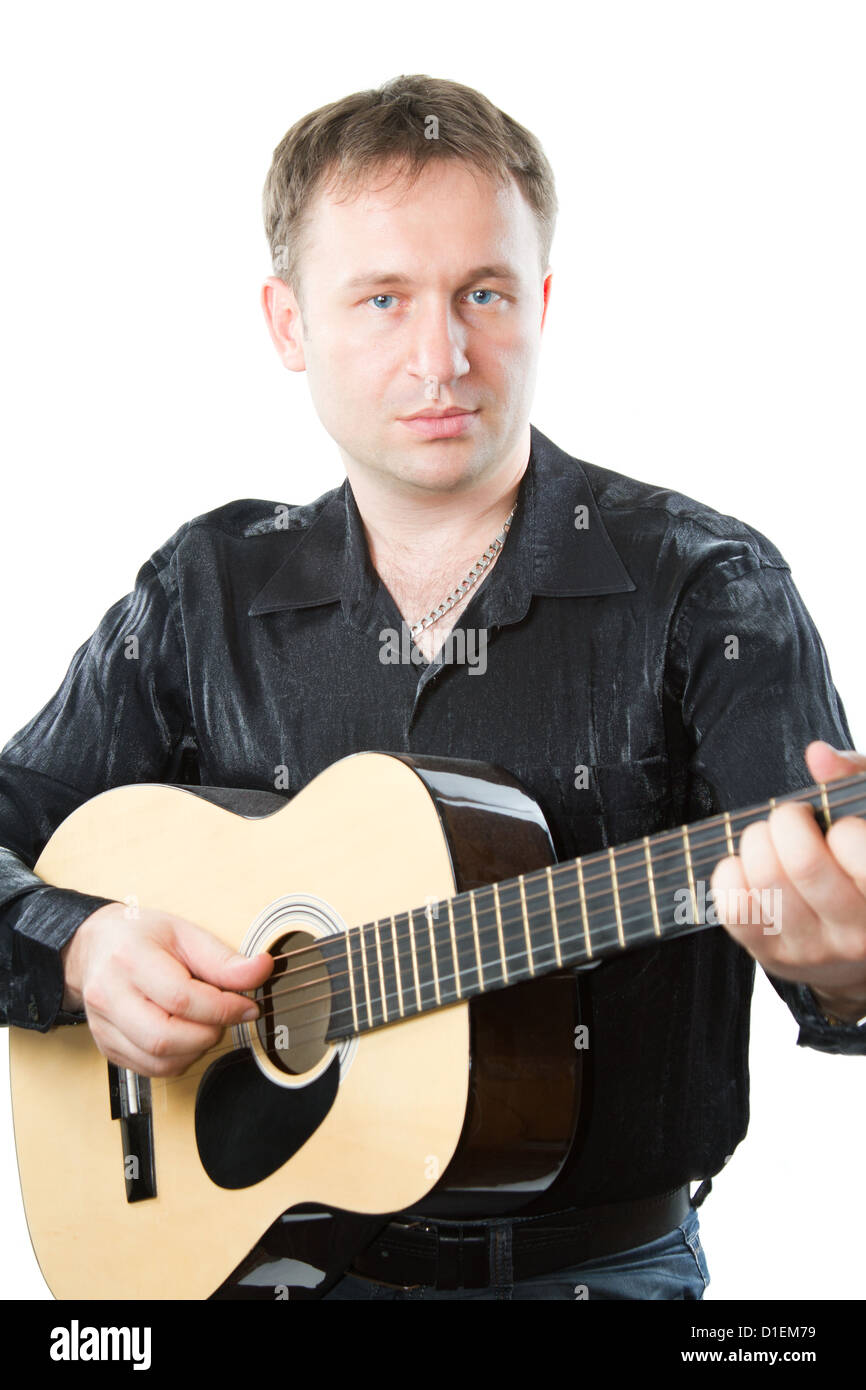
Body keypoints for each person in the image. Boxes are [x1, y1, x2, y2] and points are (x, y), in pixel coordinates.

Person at [1, 74, 865, 1301]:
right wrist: (79, 949)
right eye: (381, 298)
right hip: (247, 1266)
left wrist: (844, 963)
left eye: (483, 293)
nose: (442, 355)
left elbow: (833, 948)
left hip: (593, 1276)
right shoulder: (201, 590)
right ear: (288, 323)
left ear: (541, 302)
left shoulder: (708, 588)